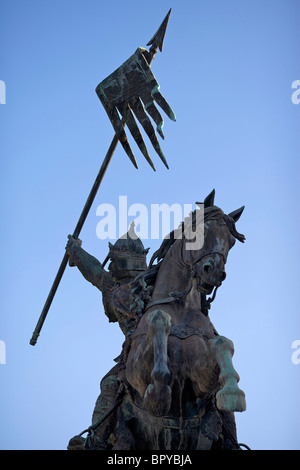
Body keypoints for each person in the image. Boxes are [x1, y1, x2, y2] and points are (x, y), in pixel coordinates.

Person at [66, 222, 149, 450]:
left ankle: (96, 443)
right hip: (135, 354)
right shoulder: (125, 284)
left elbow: (94, 270)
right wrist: (76, 251)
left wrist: (74, 250)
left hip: (144, 350)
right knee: (110, 384)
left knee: (110, 385)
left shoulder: (143, 283)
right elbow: (92, 268)